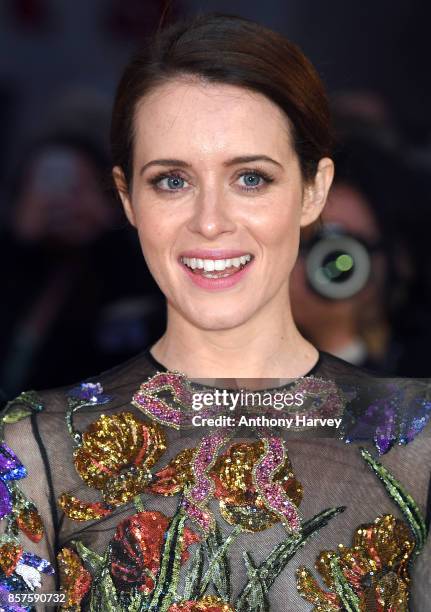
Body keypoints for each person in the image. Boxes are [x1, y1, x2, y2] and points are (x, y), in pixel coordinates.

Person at [0, 14, 429, 612]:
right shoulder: (35, 450)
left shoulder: (419, 441)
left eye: (250, 178)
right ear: (127, 198)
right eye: (172, 181)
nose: (209, 222)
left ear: (313, 190)